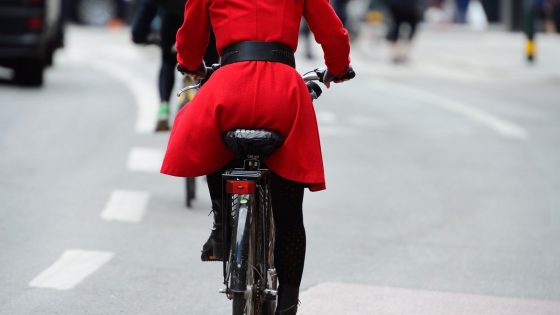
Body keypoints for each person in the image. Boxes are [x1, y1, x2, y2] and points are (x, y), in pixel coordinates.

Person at [159, 0, 354, 312]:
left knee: (211, 139)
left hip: (229, 86)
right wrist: (339, 68)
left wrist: (191, 64)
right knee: (289, 213)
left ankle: (223, 223)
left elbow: (191, 34)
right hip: (282, 92)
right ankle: (288, 304)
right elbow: (333, 33)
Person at [131, 0, 219, 132]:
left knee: (167, 61)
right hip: (204, 19)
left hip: (172, 18)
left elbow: (149, 5)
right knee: (211, 66)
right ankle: (209, 113)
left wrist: (139, 33)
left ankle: (164, 108)